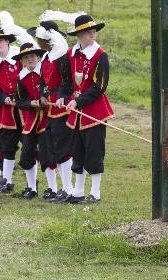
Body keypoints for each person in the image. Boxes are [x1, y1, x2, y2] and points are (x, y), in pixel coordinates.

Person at [62, 14, 114, 203]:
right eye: (88, 31)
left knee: (94, 150)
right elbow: (66, 82)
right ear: (79, 35)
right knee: (78, 150)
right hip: (76, 112)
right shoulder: (70, 54)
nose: (93, 33)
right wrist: (63, 97)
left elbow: (99, 87)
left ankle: (95, 192)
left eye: (94, 30)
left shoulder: (101, 55)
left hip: (94, 110)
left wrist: (79, 101)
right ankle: (77, 191)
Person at [36, 21, 75, 203]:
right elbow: (43, 82)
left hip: (61, 105)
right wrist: (42, 94)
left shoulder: (62, 57)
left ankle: (68, 188)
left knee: (63, 147)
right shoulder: (45, 58)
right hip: (49, 107)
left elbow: (68, 82)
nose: (38, 42)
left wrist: (60, 96)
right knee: (53, 147)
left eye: (40, 39)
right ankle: (63, 187)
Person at [0, 27, 21, 193]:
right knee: (8, 144)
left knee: (31, 145)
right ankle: (6, 181)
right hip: (8, 111)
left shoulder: (19, 58)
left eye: (0, 41)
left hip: (27, 109)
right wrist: (4, 98)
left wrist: (19, 96)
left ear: (7, 41)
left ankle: (33, 184)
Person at [13, 43, 47, 199]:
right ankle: (32, 187)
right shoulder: (20, 77)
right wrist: (30, 104)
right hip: (31, 119)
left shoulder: (46, 71)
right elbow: (19, 101)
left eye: (32, 56)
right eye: (26, 57)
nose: (30, 59)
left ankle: (53, 189)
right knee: (26, 153)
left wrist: (44, 98)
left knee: (48, 154)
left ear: (38, 57)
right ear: (22, 61)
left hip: (48, 118)